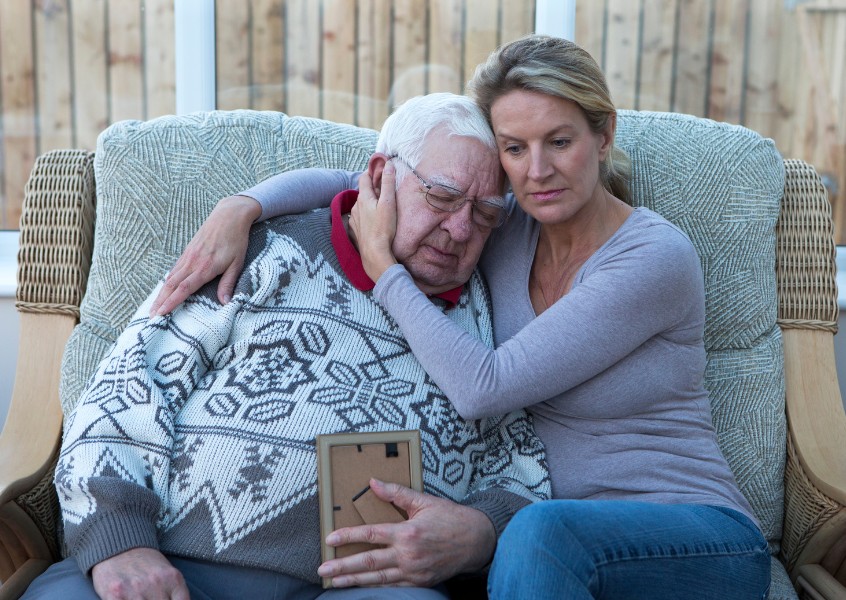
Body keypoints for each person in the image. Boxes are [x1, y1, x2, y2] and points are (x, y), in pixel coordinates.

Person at [150, 35, 773, 599]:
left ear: (603, 135)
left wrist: (383, 268)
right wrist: (244, 206)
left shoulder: (652, 258)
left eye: (559, 141)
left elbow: (485, 387)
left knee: (538, 533)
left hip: (694, 538)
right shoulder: (502, 222)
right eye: (514, 148)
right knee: (525, 543)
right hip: (547, 557)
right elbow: (368, 177)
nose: (537, 171)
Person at [22, 92, 551, 600]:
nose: (460, 229)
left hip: (372, 585)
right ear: (378, 177)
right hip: (173, 563)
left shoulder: (492, 310)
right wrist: (121, 542)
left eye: (484, 215)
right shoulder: (262, 252)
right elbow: (122, 391)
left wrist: (482, 531)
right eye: (441, 196)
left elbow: (524, 471)